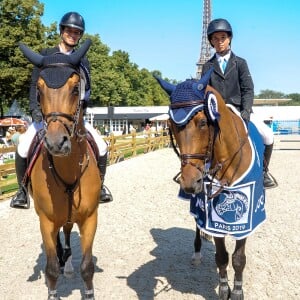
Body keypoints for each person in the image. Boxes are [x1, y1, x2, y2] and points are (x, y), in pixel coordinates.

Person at [10, 12, 113, 209]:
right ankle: (22, 191)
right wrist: (36, 112)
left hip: (73, 117)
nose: (72, 35)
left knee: (101, 145)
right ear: (62, 31)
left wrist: (81, 110)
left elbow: (87, 89)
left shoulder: (84, 62)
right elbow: (34, 87)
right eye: (69, 31)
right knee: (23, 146)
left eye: (77, 32)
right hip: (46, 115)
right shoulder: (46, 55)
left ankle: (100, 187)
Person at [202, 18, 277, 188]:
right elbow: (205, 91)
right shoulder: (207, 66)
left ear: (229, 39)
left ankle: (264, 172)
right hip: (217, 112)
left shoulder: (240, 63)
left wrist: (246, 110)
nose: (219, 42)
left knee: (267, 135)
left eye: (222, 37)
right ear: (211, 42)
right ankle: (200, 172)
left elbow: (248, 89)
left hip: (239, 109)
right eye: (215, 39)